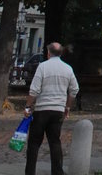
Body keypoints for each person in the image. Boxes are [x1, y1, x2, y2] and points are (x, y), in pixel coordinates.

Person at [23, 42, 79, 175]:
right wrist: (67, 107)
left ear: (49, 53)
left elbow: (34, 90)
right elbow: (74, 89)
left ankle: (30, 172)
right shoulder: (67, 69)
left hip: (42, 109)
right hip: (58, 110)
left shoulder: (43, 67)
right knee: (55, 141)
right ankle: (57, 171)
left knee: (34, 143)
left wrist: (27, 106)